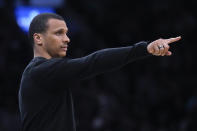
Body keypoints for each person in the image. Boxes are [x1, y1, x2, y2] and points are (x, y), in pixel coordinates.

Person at [18, 13, 181, 131]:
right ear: (38, 38)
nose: (67, 39)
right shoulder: (40, 71)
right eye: (58, 33)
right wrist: (143, 49)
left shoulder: (41, 73)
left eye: (66, 33)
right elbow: (92, 62)